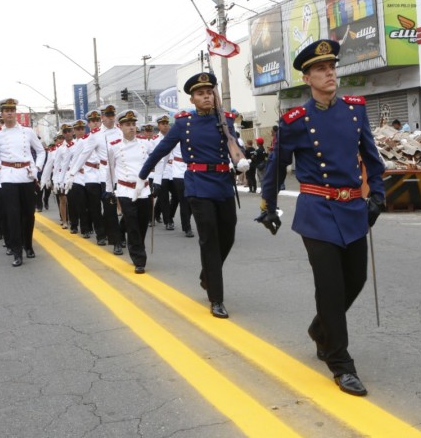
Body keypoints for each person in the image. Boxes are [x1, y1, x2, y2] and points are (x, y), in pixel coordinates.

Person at [257, 39, 385, 397]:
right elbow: (276, 166)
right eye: (321, 69)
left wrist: (377, 194)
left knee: (356, 279)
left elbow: (372, 158)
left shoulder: (355, 111)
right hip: (316, 212)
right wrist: (268, 206)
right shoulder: (295, 121)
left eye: (332, 67)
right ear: (307, 78)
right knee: (330, 287)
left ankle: (319, 329)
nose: (330, 74)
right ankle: (340, 363)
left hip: (353, 209)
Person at [138, 72, 249, 319]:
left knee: (228, 236)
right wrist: (143, 175)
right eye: (200, 94)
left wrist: (241, 158)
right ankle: (216, 298)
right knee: (209, 239)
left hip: (223, 183)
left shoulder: (225, 120)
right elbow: (161, 150)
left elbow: (234, 144)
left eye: (209, 92)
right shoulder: (183, 123)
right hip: (198, 184)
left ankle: (207, 273)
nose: (206, 96)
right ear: (192, 99)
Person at [0, 98, 45, 266]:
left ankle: (28, 245)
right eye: (6, 110)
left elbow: (41, 151)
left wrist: (37, 168)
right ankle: (17, 251)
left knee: (28, 214)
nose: (9, 113)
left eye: (12, 110)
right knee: (13, 215)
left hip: (26, 175)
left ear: (15, 112)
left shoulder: (27, 132)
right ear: (2, 114)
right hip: (8, 177)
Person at [106, 109, 156, 274]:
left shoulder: (145, 143)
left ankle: (136, 245)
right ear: (120, 126)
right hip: (125, 190)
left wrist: (156, 180)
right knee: (132, 223)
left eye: (133, 124)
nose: (132, 127)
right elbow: (110, 169)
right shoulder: (114, 146)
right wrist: (110, 189)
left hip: (144, 189)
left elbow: (158, 160)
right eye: (127, 124)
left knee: (142, 222)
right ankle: (139, 258)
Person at [65, 111, 107, 245]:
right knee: (91, 206)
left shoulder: (106, 135)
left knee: (108, 206)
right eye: (92, 121)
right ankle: (97, 233)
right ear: (89, 124)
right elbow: (75, 160)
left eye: (97, 120)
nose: (95, 123)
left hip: (104, 173)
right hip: (89, 176)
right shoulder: (83, 141)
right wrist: (70, 175)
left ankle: (108, 231)